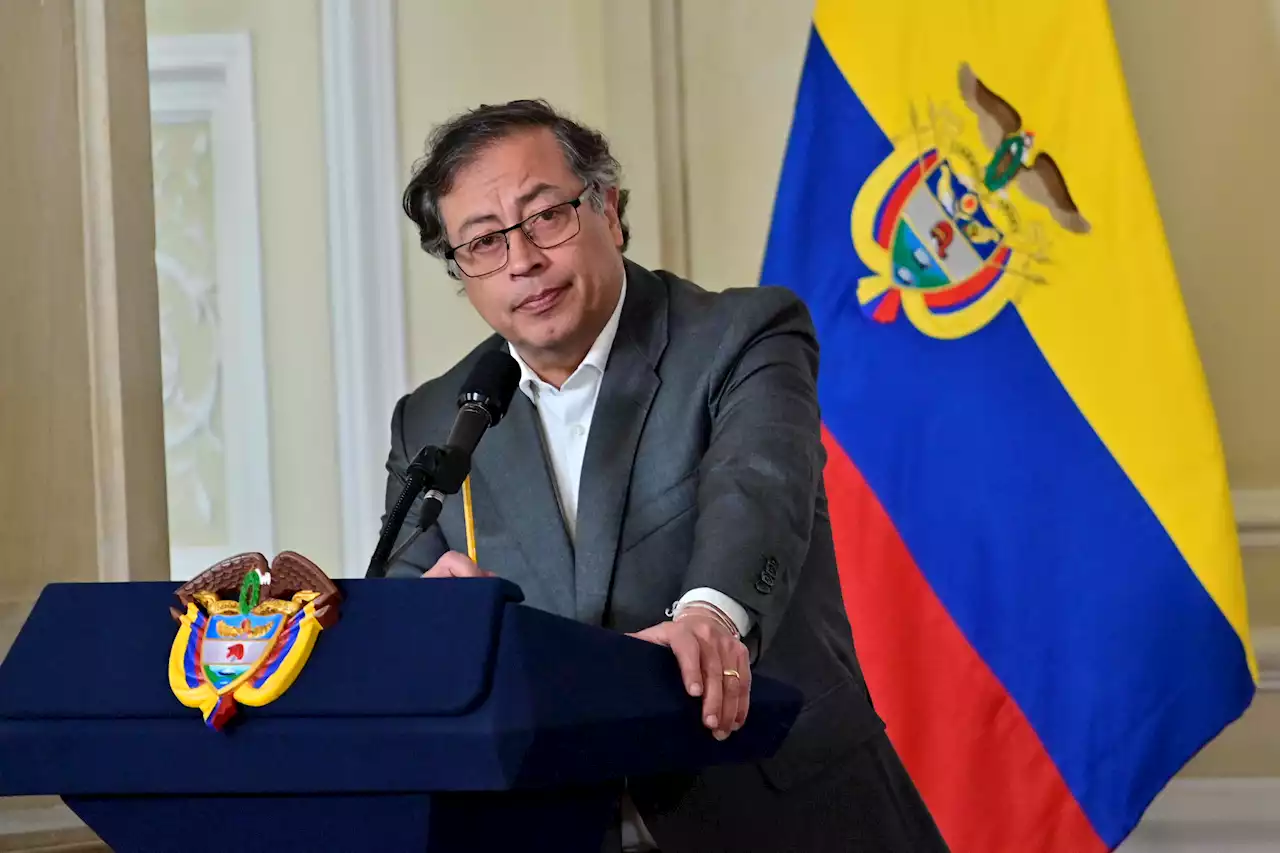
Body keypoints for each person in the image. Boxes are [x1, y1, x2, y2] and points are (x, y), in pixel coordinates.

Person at [379, 98, 949, 852]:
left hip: (784, 812)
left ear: (608, 211)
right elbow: (397, 607)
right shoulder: (437, 420)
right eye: (483, 242)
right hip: (559, 822)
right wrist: (434, 622)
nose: (522, 260)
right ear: (462, 271)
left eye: (545, 215)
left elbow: (758, 492)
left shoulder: (741, 337)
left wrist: (710, 617)